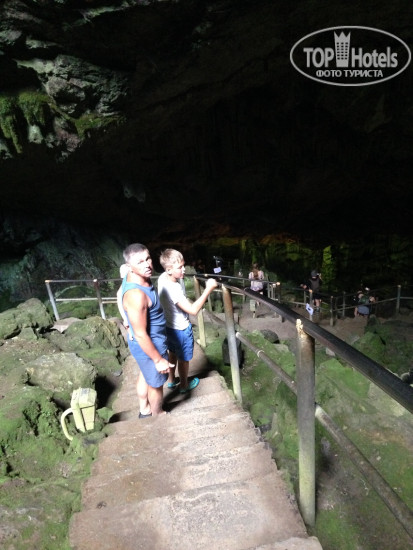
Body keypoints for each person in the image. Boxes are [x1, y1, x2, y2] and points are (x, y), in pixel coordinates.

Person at [121, 243, 173, 418]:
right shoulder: (136, 295)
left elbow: (120, 293)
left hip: (148, 343)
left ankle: (144, 409)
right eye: (140, 262)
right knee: (156, 384)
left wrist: (126, 317)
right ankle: (158, 414)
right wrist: (158, 360)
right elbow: (141, 334)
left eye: (148, 258)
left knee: (146, 375)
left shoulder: (135, 276)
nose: (147, 265)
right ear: (129, 266)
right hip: (150, 345)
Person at [158, 248, 218, 393]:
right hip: (181, 329)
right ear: (169, 270)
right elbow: (193, 310)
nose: (184, 269)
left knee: (172, 352)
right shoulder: (174, 288)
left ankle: (171, 381)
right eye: (180, 267)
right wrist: (208, 289)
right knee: (183, 359)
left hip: (168, 326)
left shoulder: (162, 278)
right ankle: (184, 385)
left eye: (183, 265)